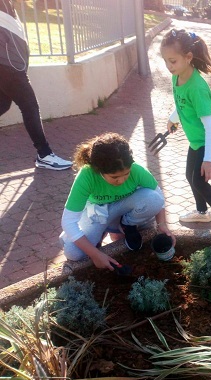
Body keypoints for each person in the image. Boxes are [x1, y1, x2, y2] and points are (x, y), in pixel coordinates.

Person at [60, 133, 175, 271]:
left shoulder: (137, 170)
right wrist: (95, 254)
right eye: (114, 177)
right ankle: (100, 233)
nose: (121, 181)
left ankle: (127, 225)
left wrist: (162, 224)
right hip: (98, 213)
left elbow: (159, 197)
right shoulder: (87, 175)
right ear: (99, 170)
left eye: (125, 174)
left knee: (153, 199)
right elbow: (68, 222)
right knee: (73, 252)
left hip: (123, 210)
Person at [160, 28, 211, 235]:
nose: (168, 66)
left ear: (188, 57)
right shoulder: (177, 77)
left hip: (209, 140)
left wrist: (208, 160)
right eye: (165, 61)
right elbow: (182, 103)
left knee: (199, 181)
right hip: (196, 140)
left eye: (173, 61)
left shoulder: (198, 88)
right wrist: (173, 119)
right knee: (189, 175)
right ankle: (202, 212)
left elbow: (210, 128)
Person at [0, 0, 72, 170]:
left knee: (3, 105)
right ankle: (44, 154)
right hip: (7, 65)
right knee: (30, 106)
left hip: (10, 63)